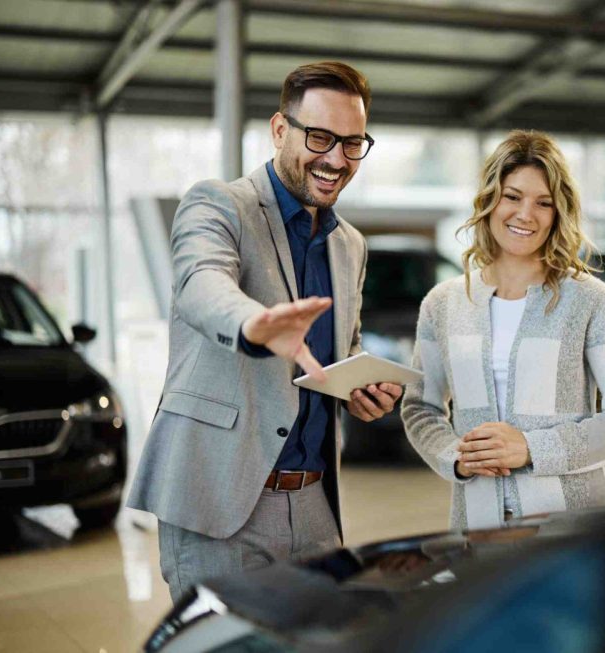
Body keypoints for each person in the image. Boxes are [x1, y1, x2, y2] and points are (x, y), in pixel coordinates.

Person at [127, 61, 402, 602]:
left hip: (317, 503)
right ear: (280, 130)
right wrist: (254, 325)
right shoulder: (218, 204)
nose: (336, 159)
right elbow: (201, 284)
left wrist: (360, 390)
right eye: (320, 137)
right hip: (220, 502)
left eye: (353, 144)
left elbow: (340, 350)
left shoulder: (350, 245)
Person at [401, 130, 605, 530]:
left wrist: (532, 448)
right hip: (477, 526)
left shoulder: (590, 301)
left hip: (571, 529)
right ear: (489, 200)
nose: (526, 214)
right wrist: (455, 456)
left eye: (544, 203)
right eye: (512, 196)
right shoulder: (443, 304)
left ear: (559, 213)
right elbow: (420, 408)